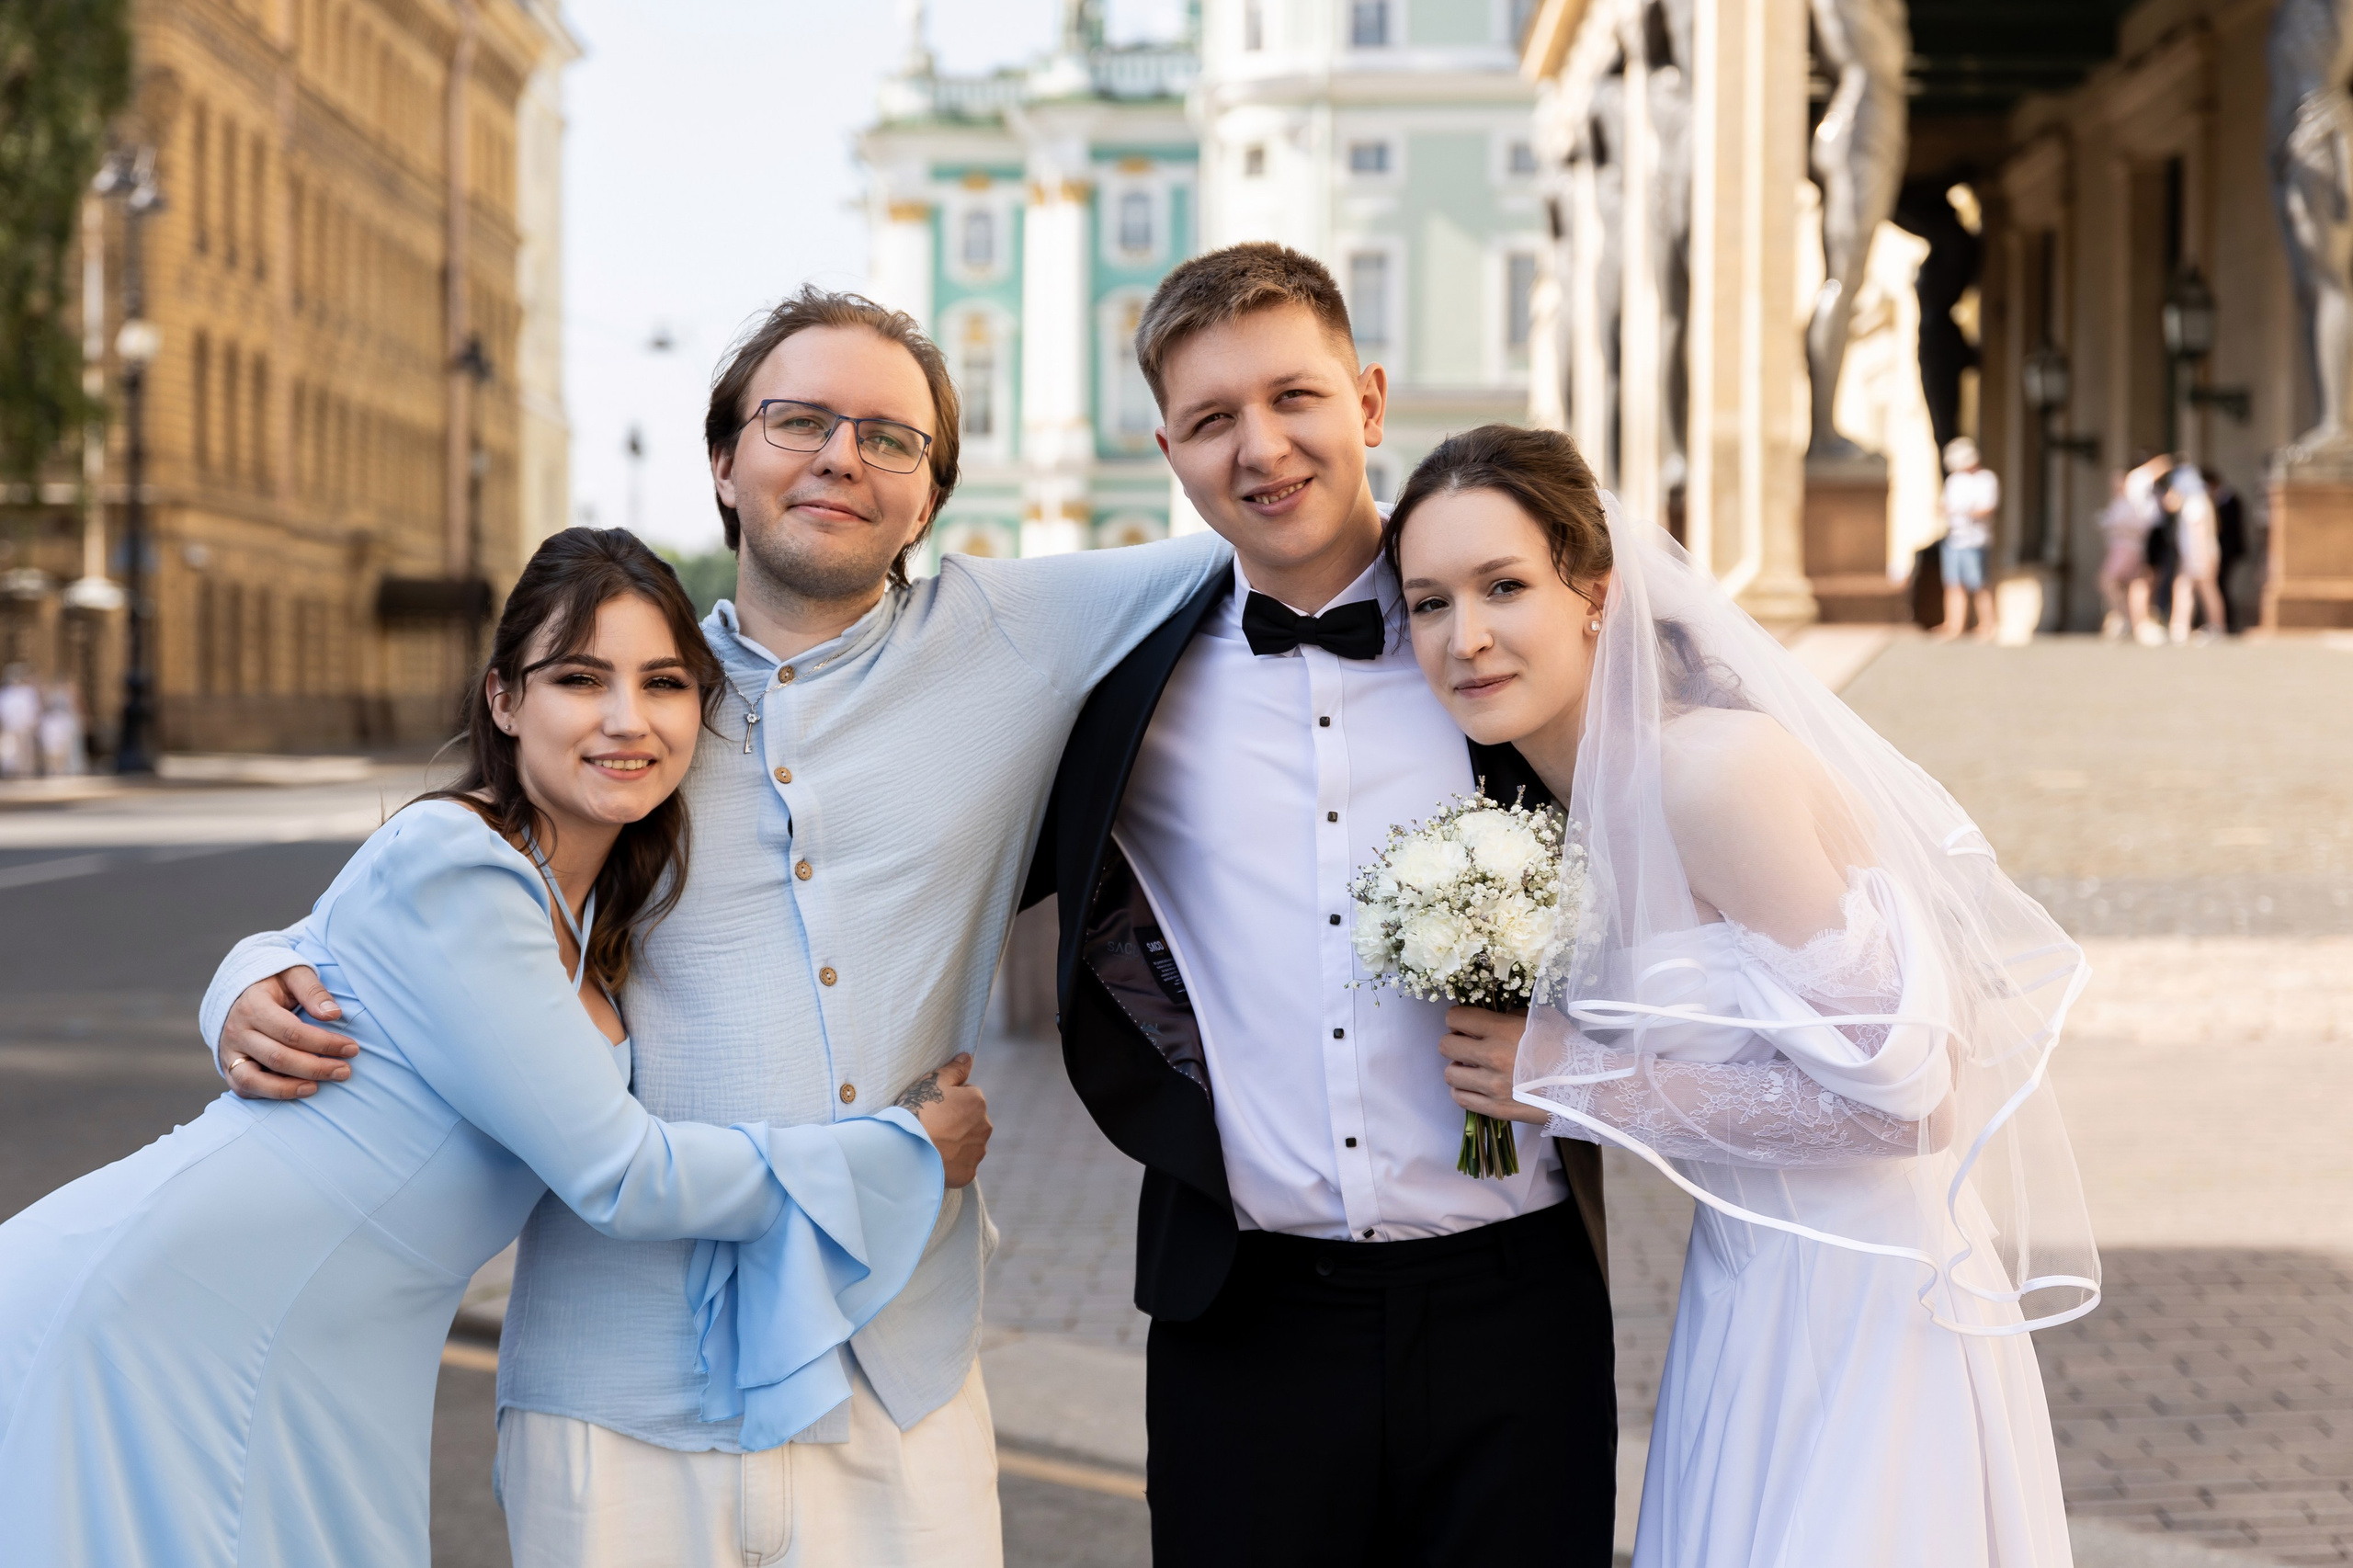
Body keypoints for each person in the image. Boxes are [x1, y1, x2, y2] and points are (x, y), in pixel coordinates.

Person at [199, 289, 1230, 1567]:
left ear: (931, 492)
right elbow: (413, 886)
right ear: (724, 461)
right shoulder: (639, 698)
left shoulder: (1018, 633)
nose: (842, 457)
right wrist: (252, 975)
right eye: (797, 420)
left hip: (892, 1375)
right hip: (612, 1389)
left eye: (890, 437)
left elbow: (1297, 543)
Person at [0, 528, 957, 1566]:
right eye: (580, 678)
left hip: (325, 1356)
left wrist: (243, 970)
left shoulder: (594, 918)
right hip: (163, 1316)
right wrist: (901, 1153)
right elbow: (621, 1175)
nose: (626, 719)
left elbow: (320, 950)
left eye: (665, 682)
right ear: (504, 700)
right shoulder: (457, 858)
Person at [1388, 424, 2096, 1567]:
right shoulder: (1568, 807)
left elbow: (1909, 1100)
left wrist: (1570, 1078)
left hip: (1866, 1308)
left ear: (1595, 597)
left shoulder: (1712, 773)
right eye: (1427, 602)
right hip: (1747, 1286)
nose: (1463, 637)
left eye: (1503, 586)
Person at [1027, 244, 1617, 1565]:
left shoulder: (1508, 647)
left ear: (1369, 400)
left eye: (1294, 396)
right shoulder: (1119, 681)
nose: (1263, 447)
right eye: (1212, 419)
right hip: (1242, 1318)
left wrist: (1590, 1063)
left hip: (1514, 1304)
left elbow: (1700, 932)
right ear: (1169, 449)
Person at [1933, 437, 1998, 642]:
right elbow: (1942, 506)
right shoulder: (1954, 480)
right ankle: (1954, 625)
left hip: (1975, 540)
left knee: (1979, 583)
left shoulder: (1986, 479)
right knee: (1953, 583)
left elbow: (1988, 509)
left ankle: (1988, 625)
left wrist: (1964, 512)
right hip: (1954, 538)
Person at [2097, 458, 2165, 644]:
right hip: (2122, 547)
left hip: (2128, 548)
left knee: (2112, 581)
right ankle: (2129, 618)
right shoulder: (2120, 501)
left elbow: (2140, 525)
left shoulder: (2135, 500)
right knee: (2132, 586)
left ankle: (2129, 618)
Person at [2165, 460, 2229, 643]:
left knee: (2207, 589)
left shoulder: (2195, 503)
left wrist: (2201, 558)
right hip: (2192, 556)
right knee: (2183, 588)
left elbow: (2199, 534)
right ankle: (2180, 627)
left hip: (2199, 555)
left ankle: (2216, 626)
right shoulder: (2195, 501)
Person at [0, 664, 38, 778]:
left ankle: (25, 776)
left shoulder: (28, 692)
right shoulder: (6, 693)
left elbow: (32, 710)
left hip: (23, 728)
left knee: (26, 756)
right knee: (13, 755)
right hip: (13, 729)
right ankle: (16, 775)